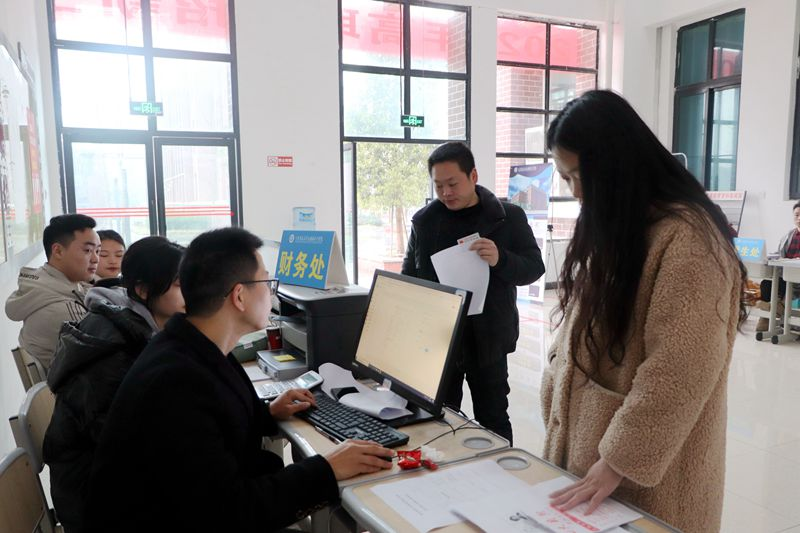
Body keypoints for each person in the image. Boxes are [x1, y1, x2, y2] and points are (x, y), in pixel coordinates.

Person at [86, 227, 393, 533]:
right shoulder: (176, 381)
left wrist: (268, 414)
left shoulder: (192, 345)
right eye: (266, 282)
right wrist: (327, 469)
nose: (271, 294)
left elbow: (214, 426)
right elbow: (229, 513)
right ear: (239, 296)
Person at [540, 90, 746, 533]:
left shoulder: (689, 239)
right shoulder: (618, 223)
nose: (575, 191)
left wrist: (618, 460)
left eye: (580, 176)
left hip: (645, 479)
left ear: (617, 167)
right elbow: (578, 327)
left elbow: (681, 369)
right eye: (565, 178)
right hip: (590, 460)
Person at [402, 141, 545, 444]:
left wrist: (501, 259)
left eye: (453, 183)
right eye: (439, 186)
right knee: (439, 419)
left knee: (492, 419)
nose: (446, 192)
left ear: (473, 176)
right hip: (440, 339)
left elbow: (534, 267)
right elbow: (408, 277)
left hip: (488, 338)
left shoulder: (507, 217)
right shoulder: (424, 222)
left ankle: (499, 470)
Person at [43, 236, 185, 533]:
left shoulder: (132, 326)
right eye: (178, 284)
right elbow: (124, 440)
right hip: (97, 503)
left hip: (107, 482)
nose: (193, 292)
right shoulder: (115, 346)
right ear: (142, 290)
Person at [5, 214, 100, 371]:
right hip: (79, 384)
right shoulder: (63, 309)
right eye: (88, 250)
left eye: (98, 251)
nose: (96, 259)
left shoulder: (45, 285)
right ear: (58, 251)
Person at [756, 200, 800, 331]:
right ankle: (767, 317)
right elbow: (780, 253)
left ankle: (774, 309)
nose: (799, 218)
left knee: (784, 284)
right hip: (786, 275)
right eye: (796, 215)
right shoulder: (789, 235)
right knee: (766, 283)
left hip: (797, 277)